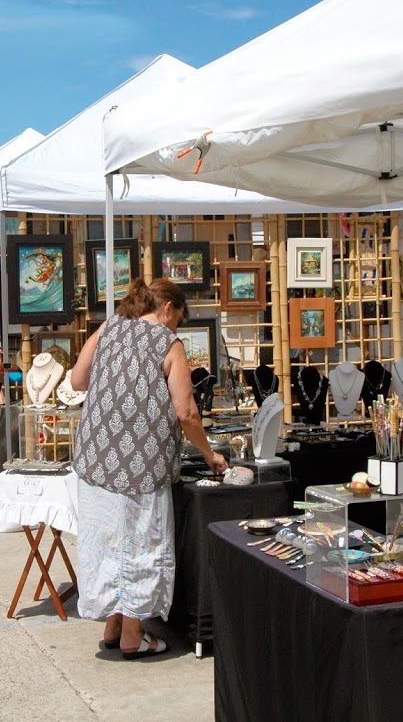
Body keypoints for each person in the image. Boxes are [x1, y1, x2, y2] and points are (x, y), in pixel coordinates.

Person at [70, 277, 228, 659]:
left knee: (108, 541)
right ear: (169, 309)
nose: (177, 329)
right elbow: (186, 413)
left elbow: (77, 380)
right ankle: (132, 635)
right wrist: (211, 455)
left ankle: (113, 625)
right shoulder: (168, 345)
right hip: (141, 464)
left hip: (96, 458)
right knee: (139, 543)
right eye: (179, 321)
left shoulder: (109, 326)